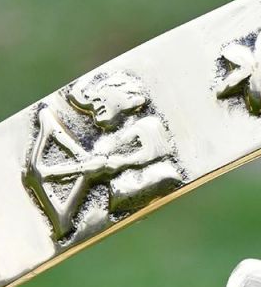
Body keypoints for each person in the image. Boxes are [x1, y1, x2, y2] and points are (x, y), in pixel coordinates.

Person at [66, 72, 184, 215]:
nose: (94, 106)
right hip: (121, 195)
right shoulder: (106, 141)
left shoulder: (146, 124)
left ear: (128, 98)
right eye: (93, 103)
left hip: (154, 180)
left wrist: (122, 162)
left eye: (101, 98)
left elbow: (155, 151)